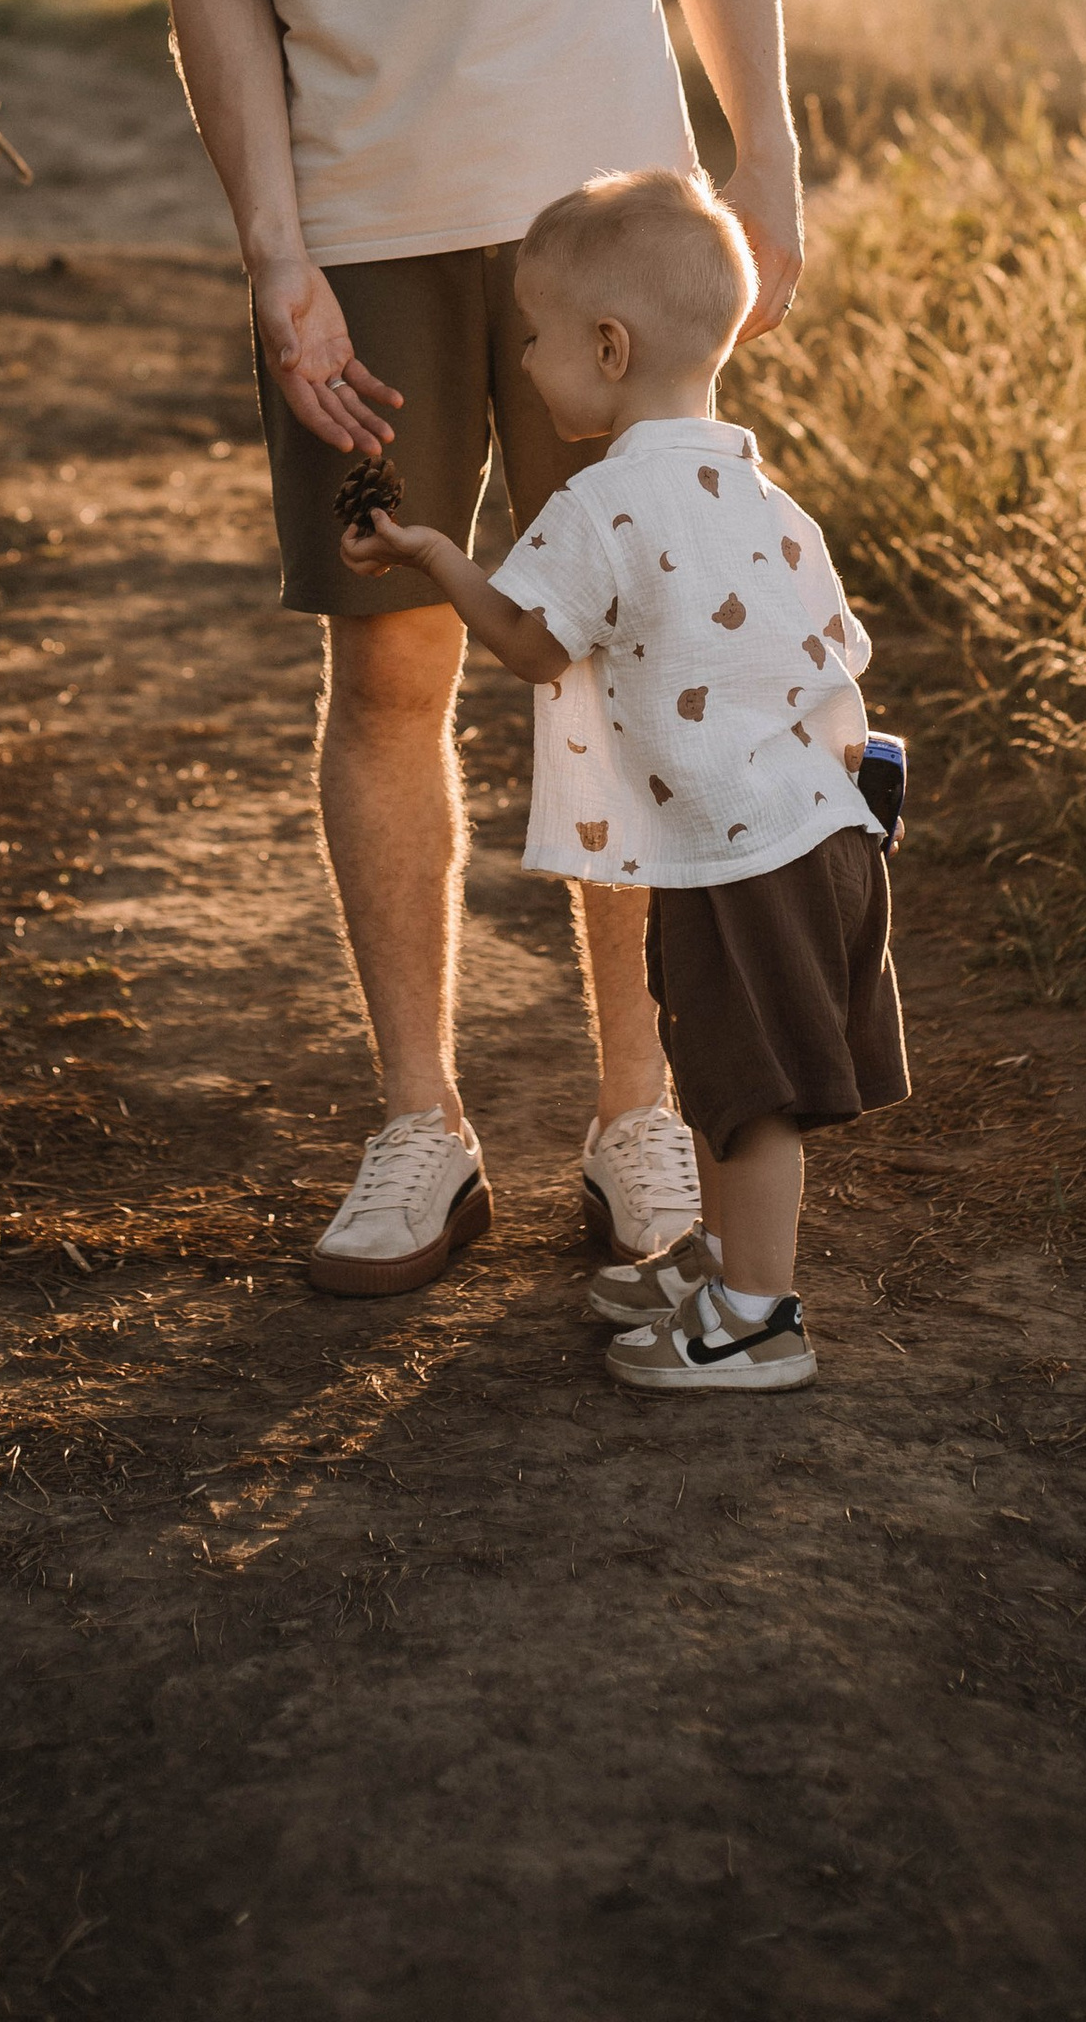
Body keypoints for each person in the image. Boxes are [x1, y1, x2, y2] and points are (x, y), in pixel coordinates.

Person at [71, 0, 808, 1291]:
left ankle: (640, 1117)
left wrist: (764, 150)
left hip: (610, 227)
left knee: (633, 669)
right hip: (366, 222)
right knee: (390, 664)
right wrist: (274, 254)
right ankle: (420, 1126)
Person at [340, 168, 907, 1392]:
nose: (524, 363)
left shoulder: (600, 503)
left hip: (745, 855)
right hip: (813, 833)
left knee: (752, 1095)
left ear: (608, 346)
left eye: (534, 339)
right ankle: (719, 1260)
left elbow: (531, 645)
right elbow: (838, 671)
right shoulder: (768, 497)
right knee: (718, 1065)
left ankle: (757, 1321)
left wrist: (435, 555)